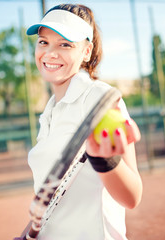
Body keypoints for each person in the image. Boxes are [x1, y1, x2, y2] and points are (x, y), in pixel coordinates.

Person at [16, 4, 143, 240]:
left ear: (86, 52)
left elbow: (132, 196)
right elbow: (53, 197)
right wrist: (26, 233)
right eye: (43, 42)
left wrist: (105, 160)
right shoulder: (49, 111)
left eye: (65, 44)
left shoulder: (100, 100)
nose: (50, 53)